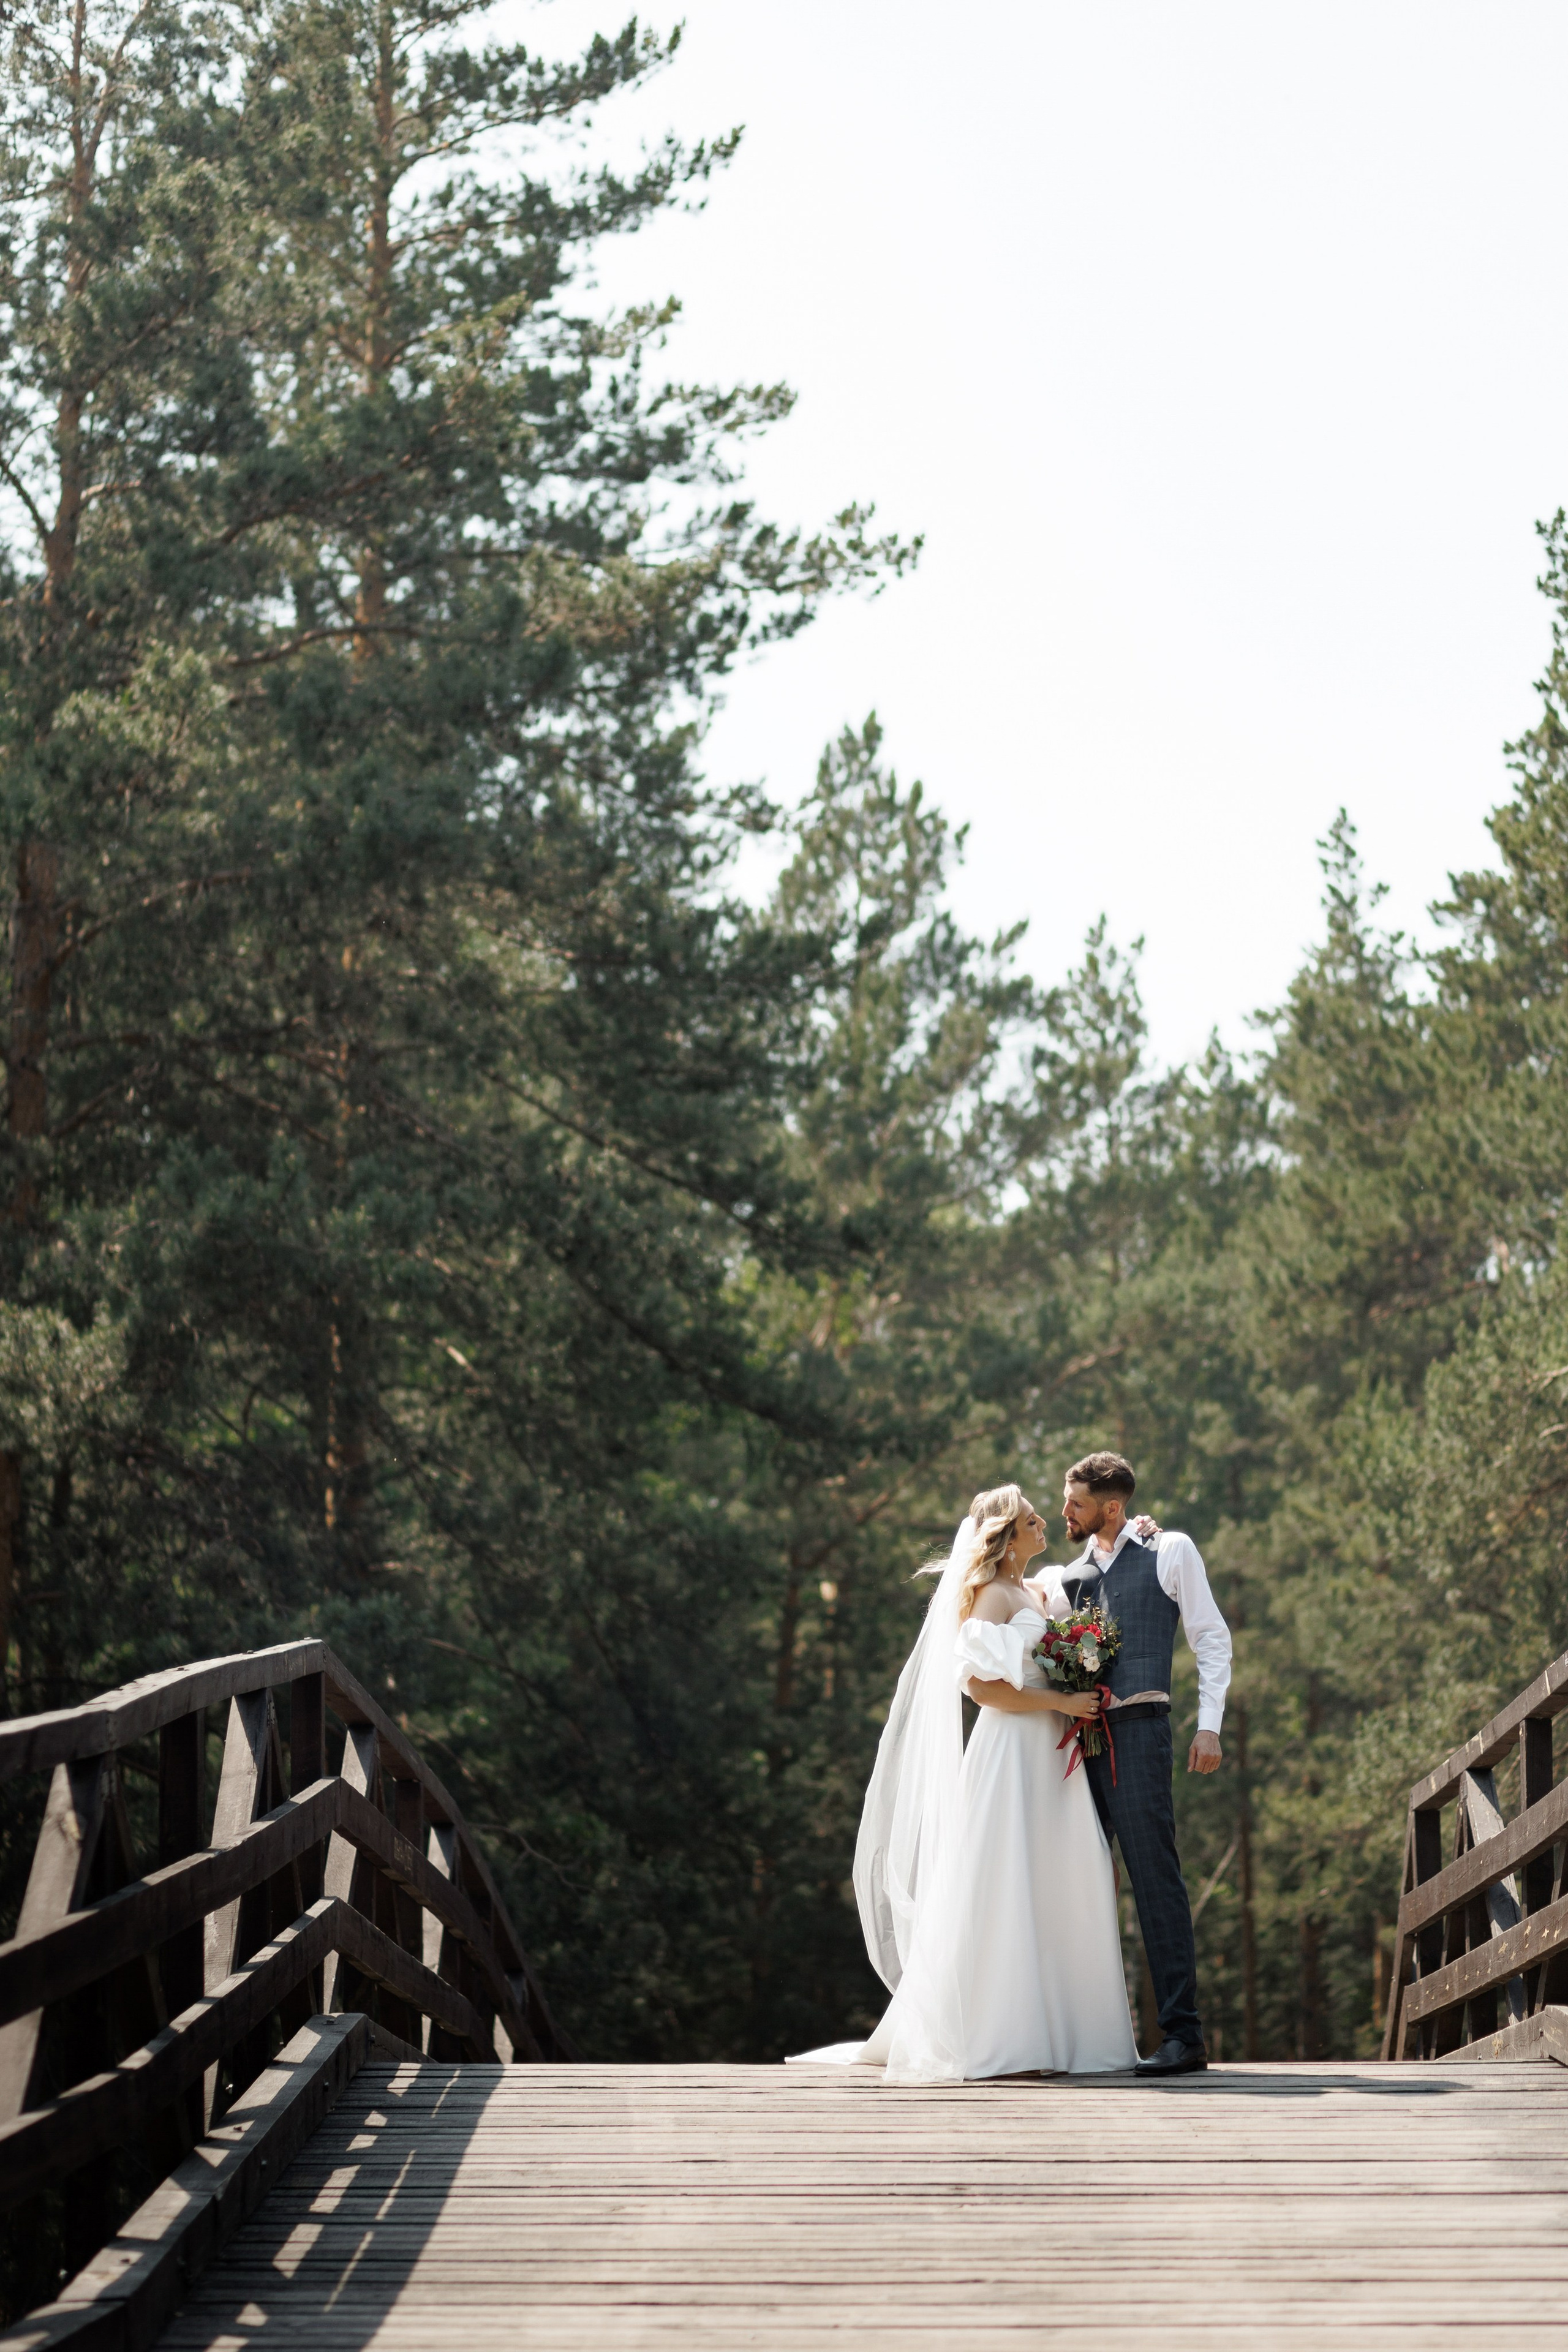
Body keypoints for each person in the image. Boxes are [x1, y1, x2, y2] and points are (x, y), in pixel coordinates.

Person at [791, 1483, 1138, 2082]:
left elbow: (1093, 1564)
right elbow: (980, 1688)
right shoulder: (991, 1598)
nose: (1043, 1524)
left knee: (1061, 1877)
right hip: (1012, 1753)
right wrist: (1059, 1698)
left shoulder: (1034, 1590)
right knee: (1005, 1880)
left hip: (1053, 1757)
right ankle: (1003, 2034)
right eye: (1032, 1519)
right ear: (1006, 1536)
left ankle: (1070, 2035)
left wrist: (1135, 1531)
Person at [1033, 1450, 1232, 2078]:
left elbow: (1211, 1636)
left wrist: (1209, 1726)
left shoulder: (1168, 1550)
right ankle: (1075, 2035)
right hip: (1080, 1743)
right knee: (1076, 1883)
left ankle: (1183, 2035)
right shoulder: (1069, 1576)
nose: (1064, 1511)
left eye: (1076, 1503)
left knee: (1154, 1882)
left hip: (1142, 1735)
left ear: (1111, 1508)